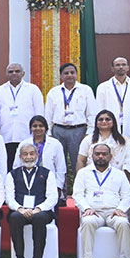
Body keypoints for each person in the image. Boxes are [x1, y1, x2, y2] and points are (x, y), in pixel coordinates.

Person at [73, 143, 130, 258]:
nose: (100, 156)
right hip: (94, 211)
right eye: (97, 154)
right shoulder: (83, 173)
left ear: (110, 157)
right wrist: (87, 208)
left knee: (123, 223)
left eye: (104, 154)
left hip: (114, 211)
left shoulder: (119, 174)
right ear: (92, 156)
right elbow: (77, 195)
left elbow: (128, 196)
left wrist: (120, 209)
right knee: (88, 221)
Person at [5, 140, 58, 258]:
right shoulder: (12, 174)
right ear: (20, 157)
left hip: (41, 210)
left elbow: (53, 197)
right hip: (20, 210)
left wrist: (38, 209)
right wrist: (21, 209)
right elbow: (9, 198)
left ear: (37, 155)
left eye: (31, 154)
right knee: (15, 218)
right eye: (25, 154)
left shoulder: (47, 173)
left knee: (39, 218)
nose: (28, 157)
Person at [45, 62, 96, 191]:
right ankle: (60, 192)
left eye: (72, 73)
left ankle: (81, 192)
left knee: (78, 162)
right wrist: (48, 134)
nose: (69, 75)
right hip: (58, 130)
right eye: (66, 73)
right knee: (58, 163)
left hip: (78, 130)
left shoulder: (86, 90)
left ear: (77, 74)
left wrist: (89, 133)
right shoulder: (54, 92)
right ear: (61, 76)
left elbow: (91, 113)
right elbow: (48, 115)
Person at [95, 56, 130, 163]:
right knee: (113, 157)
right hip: (110, 128)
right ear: (112, 68)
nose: (121, 67)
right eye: (117, 65)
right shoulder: (103, 87)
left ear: (128, 67)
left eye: (123, 64)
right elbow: (99, 111)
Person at [0, 62, 45, 167]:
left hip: (26, 135)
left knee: (27, 165)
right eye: (11, 72)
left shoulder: (33, 89)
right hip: (6, 136)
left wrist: (39, 133)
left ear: (23, 73)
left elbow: (39, 113)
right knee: (8, 165)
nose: (14, 74)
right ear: (7, 74)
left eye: (17, 71)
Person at [11, 114, 67, 194]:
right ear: (30, 128)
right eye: (35, 126)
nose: (38, 128)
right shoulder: (24, 144)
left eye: (41, 126)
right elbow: (17, 165)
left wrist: (58, 186)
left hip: (49, 183)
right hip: (27, 182)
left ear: (46, 128)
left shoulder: (55, 144)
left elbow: (61, 167)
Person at [76, 110, 130, 179]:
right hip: (92, 178)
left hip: (117, 179)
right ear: (96, 123)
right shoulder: (88, 140)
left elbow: (129, 162)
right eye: (100, 119)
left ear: (113, 123)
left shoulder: (123, 141)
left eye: (108, 119)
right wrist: (80, 178)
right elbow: (81, 160)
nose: (104, 121)